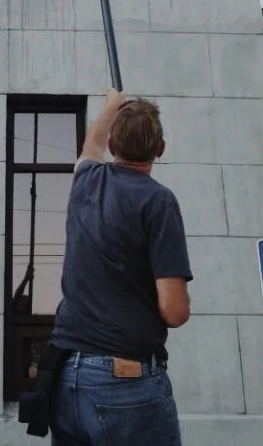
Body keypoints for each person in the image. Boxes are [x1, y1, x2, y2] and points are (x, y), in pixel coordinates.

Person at [49, 89, 192, 445]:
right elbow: (174, 311)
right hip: (124, 383)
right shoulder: (158, 201)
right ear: (161, 149)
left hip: (66, 378)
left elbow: (90, 146)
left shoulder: (85, 180)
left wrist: (110, 107)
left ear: (114, 146)